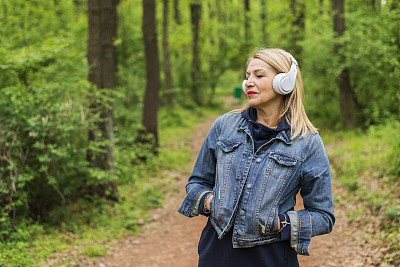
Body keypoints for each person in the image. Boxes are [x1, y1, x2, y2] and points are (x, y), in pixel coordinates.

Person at [178, 48, 335, 267]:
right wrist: (211, 202)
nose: (249, 82)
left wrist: (280, 223)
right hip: (216, 254)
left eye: (259, 75)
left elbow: (323, 215)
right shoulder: (224, 126)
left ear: (284, 82)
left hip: (270, 258)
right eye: (247, 75)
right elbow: (197, 182)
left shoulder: (307, 142)